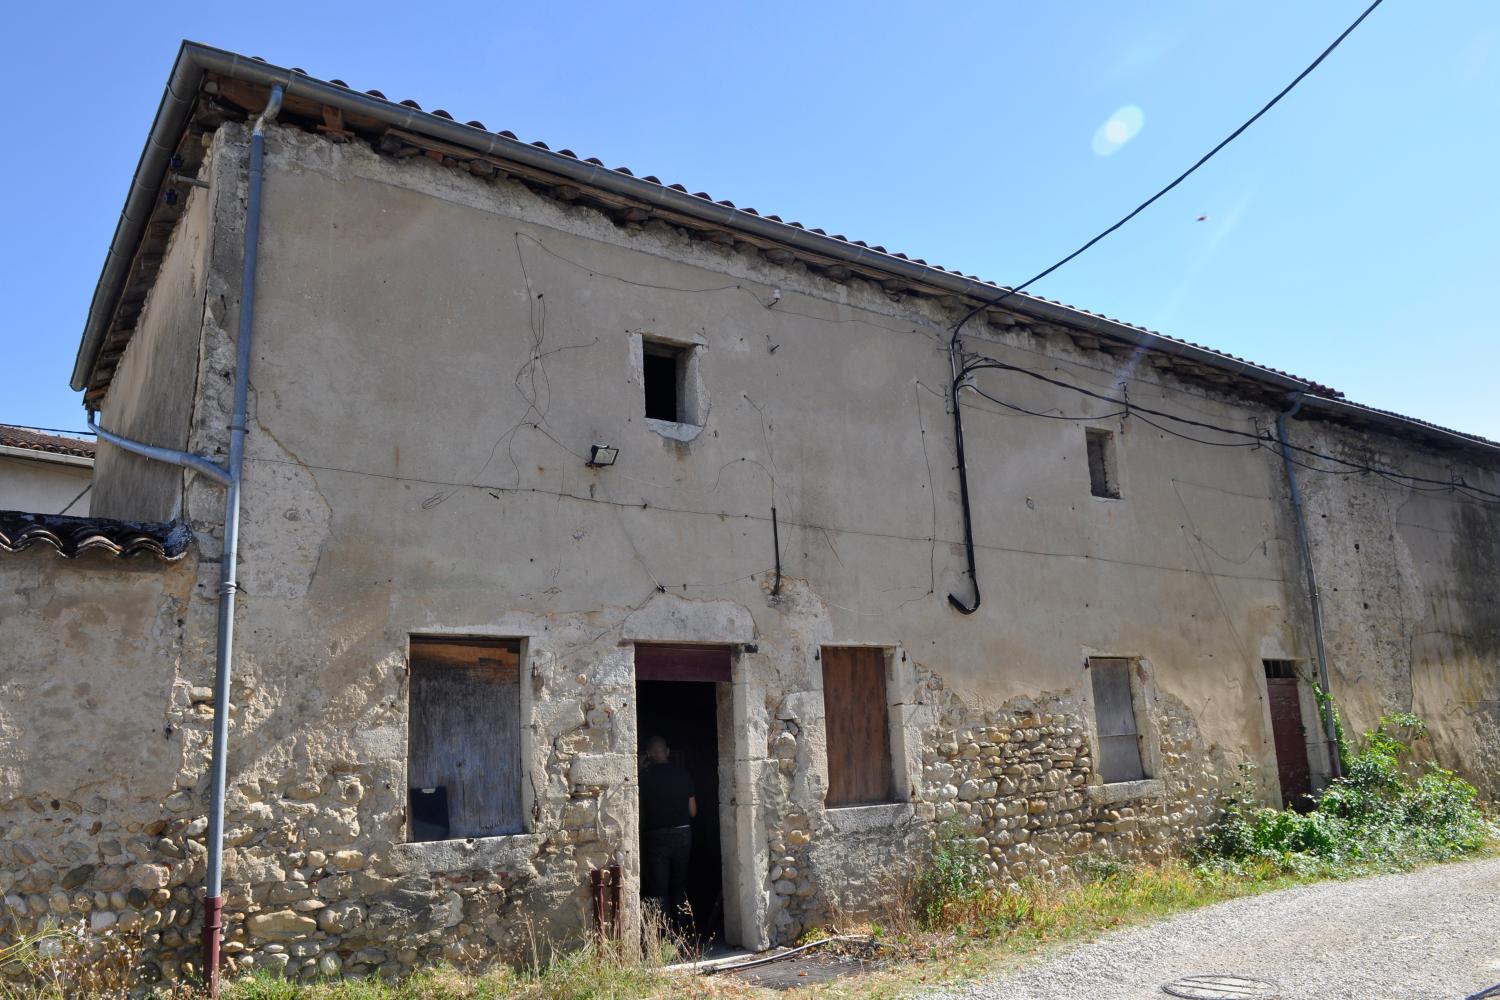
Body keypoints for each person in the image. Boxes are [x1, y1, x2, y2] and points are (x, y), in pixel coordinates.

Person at [638, 734, 696, 931]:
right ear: (668, 752)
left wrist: (640, 766)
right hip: (683, 833)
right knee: (679, 885)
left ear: (649, 754)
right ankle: (683, 932)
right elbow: (693, 811)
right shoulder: (683, 774)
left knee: (659, 889)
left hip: (657, 835)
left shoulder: (645, 777)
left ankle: (666, 937)